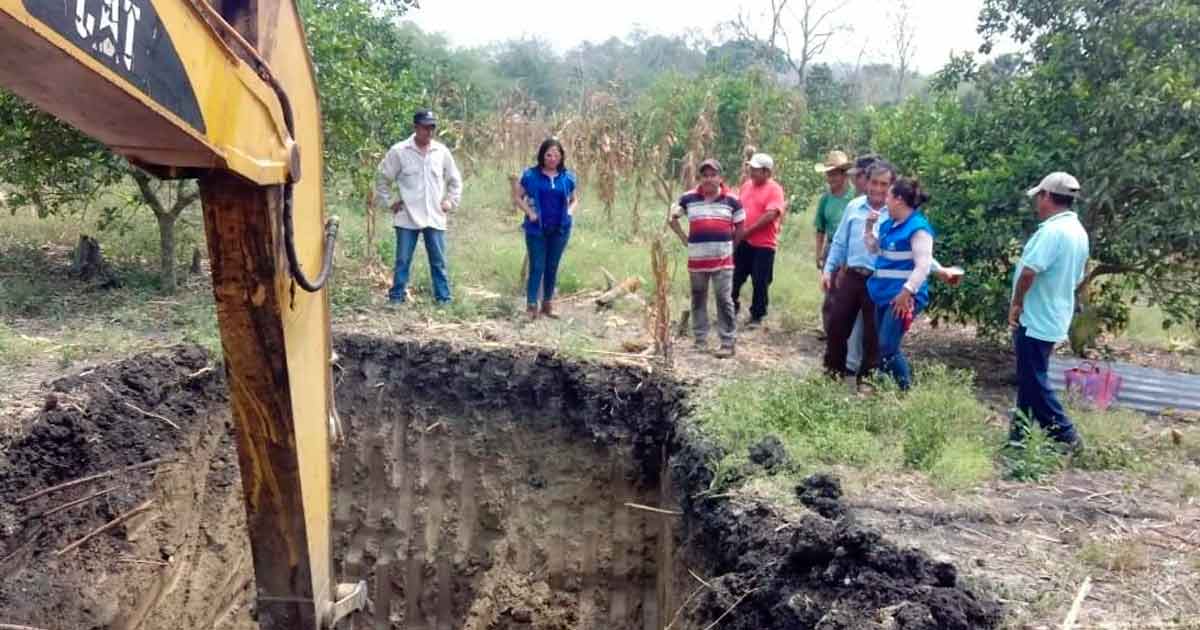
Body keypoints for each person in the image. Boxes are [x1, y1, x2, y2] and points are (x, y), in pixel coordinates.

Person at [1008, 172, 1089, 451]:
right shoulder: (1077, 231)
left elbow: (1030, 272)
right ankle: (1018, 439)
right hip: (1054, 314)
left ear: (1046, 196)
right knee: (1030, 380)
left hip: (1036, 316)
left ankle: (1067, 436)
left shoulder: (1053, 232)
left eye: (1038, 198)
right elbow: (1078, 278)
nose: (1037, 205)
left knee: (1035, 382)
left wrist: (1017, 303)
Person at [374, 110, 463, 305]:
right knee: (403, 260)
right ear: (416, 127)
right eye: (425, 127)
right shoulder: (399, 151)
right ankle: (396, 298)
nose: (429, 132)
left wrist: (450, 201)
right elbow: (382, 179)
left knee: (438, 262)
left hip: (435, 214)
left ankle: (443, 300)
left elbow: (455, 180)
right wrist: (390, 202)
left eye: (432, 127)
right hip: (407, 215)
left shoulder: (441, 152)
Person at [822, 161, 895, 378]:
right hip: (852, 275)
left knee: (872, 332)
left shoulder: (894, 212)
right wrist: (828, 269)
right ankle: (833, 370)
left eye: (884, 184)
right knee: (836, 324)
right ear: (866, 182)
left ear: (891, 186)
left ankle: (867, 379)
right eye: (874, 182)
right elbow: (839, 242)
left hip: (879, 280)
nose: (878, 189)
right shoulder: (854, 206)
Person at [669, 159, 745, 358]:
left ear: (721, 178)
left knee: (723, 299)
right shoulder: (688, 198)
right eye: (705, 175)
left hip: (723, 261)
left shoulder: (733, 200)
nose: (709, 179)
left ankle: (728, 342)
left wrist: (731, 249)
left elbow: (740, 228)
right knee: (698, 298)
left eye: (713, 175)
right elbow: (673, 218)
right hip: (697, 260)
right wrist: (685, 239)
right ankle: (700, 340)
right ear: (700, 178)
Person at [865, 177, 935, 390]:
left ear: (899, 200)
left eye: (888, 195)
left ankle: (905, 390)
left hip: (902, 297)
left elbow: (924, 265)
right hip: (883, 293)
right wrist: (869, 227)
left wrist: (907, 292)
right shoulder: (889, 225)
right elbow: (874, 249)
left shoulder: (918, 229)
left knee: (888, 345)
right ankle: (884, 389)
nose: (884, 200)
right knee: (883, 345)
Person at [514, 138, 578, 319]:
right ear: (542, 155)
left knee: (552, 266)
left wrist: (570, 212)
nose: (552, 159)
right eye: (548, 155)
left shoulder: (567, 178)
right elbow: (518, 197)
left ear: (561, 157)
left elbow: (574, 199)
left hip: (560, 229)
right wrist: (530, 212)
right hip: (536, 229)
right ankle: (531, 305)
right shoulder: (530, 176)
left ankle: (548, 304)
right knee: (537, 266)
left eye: (556, 155)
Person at [733, 153, 787, 328]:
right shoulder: (746, 186)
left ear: (766, 172)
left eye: (756, 169)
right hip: (743, 241)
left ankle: (757, 315)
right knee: (735, 275)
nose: (752, 172)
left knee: (760, 280)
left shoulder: (774, 189)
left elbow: (771, 214)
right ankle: (731, 306)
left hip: (764, 244)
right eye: (751, 168)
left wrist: (748, 231)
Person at [813, 150, 855, 271]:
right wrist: (818, 253)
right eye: (829, 174)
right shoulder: (825, 199)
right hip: (831, 247)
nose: (831, 178)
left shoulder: (855, 196)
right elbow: (820, 229)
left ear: (844, 175)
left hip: (851, 249)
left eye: (834, 174)